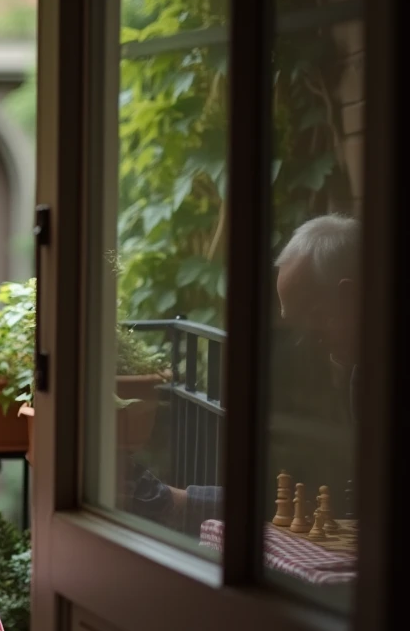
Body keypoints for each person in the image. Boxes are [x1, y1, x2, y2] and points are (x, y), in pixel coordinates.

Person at [127, 213, 359, 534]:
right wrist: (176, 502)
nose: (308, 338)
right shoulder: (359, 373)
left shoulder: (361, 378)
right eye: (295, 324)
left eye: (314, 317)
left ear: (348, 297)